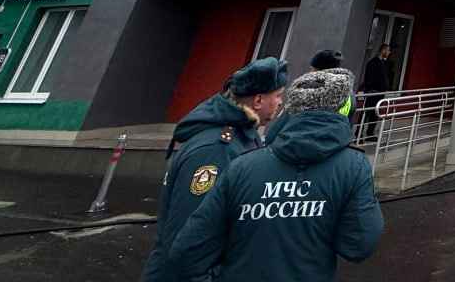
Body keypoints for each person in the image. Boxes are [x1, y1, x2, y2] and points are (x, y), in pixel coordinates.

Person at [170, 67, 384, 282]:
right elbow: (358, 246)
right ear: (344, 108)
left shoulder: (242, 166)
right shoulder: (354, 167)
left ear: (293, 109)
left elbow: (188, 250)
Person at [142, 57, 288, 282]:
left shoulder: (244, 137)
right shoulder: (216, 150)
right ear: (258, 100)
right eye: (278, 95)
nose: (280, 102)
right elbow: (188, 235)